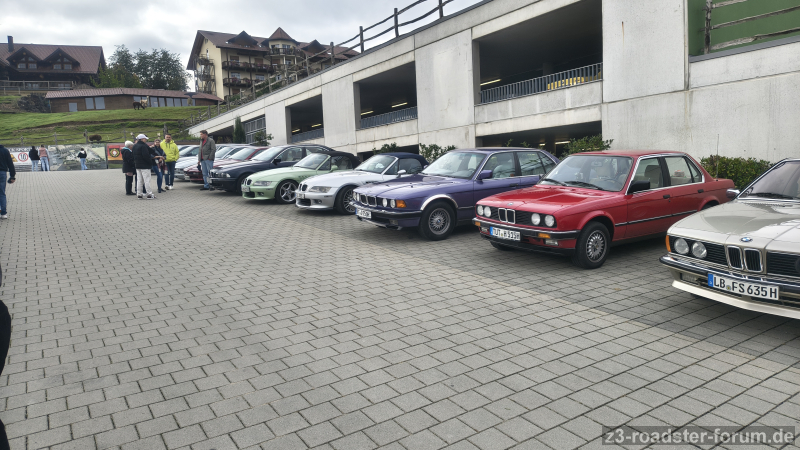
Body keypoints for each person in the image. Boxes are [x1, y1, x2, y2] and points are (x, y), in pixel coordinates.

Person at [132, 134, 156, 199]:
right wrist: (150, 163)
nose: (146, 140)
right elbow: (146, 156)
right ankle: (149, 194)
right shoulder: (143, 146)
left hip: (138, 165)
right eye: (145, 139)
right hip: (145, 166)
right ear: (142, 139)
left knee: (139, 180)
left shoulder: (135, 146)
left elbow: (133, 155)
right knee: (147, 180)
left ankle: (139, 194)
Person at [0, 144, 17, 219]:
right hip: (2, 173)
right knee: (2, 193)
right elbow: (10, 163)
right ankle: (3, 213)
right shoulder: (5, 150)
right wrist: (12, 176)